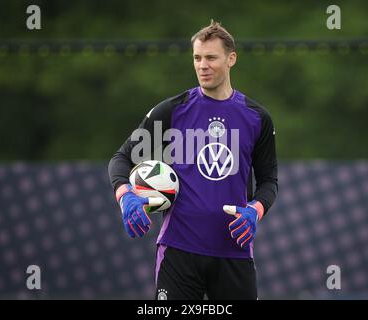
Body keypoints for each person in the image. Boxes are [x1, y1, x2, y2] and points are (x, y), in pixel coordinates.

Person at [108, 20, 278, 300]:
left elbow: (269, 181)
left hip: (233, 253)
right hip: (179, 252)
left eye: (211, 57)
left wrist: (255, 210)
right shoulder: (173, 111)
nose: (203, 65)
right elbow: (121, 159)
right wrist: (126, 196)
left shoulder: (256, 118)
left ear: (231, 59)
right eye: (197, 58)